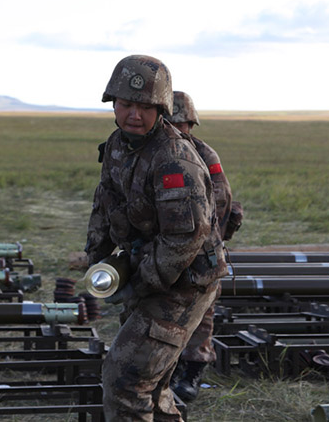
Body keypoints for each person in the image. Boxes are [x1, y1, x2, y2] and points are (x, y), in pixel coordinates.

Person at [86, 55, 227, 421]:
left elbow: (184, 239)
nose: (134, 114)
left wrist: (137, 286)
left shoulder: (174, 158)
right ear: (113, 104)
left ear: (161, 108)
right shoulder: (118, 146)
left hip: (185, 281)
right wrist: (98, 261)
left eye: (145, 106)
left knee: (127, 381)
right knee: (152, 384)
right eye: (127, 104)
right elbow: (104, 204)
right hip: (150, 269)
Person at [166, 91, 243, 402]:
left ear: (191, 124)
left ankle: (192, 372)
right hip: (165, 250)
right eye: (169, 123)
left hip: (202, 250)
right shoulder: (156, 154)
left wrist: (203, 243)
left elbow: (222, 201)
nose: (175, 129)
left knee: (200, 314)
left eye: (181, 124)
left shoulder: (204, 155)